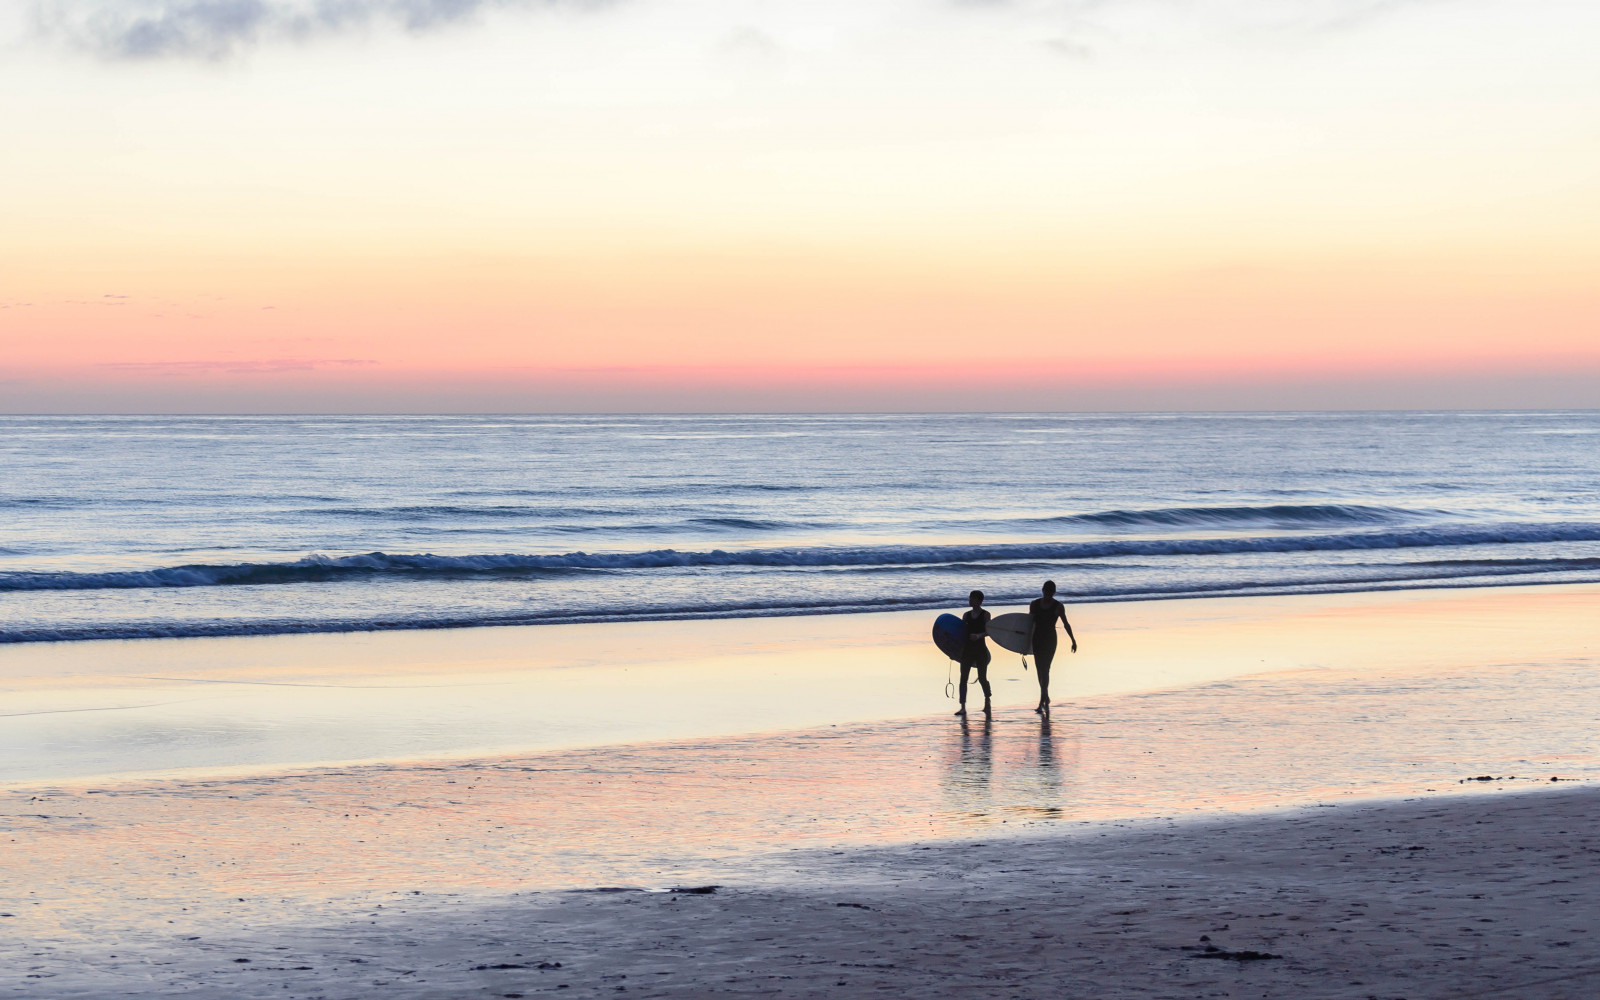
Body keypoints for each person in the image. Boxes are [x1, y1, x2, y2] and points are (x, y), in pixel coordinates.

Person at [1027, 580, 1077, 715]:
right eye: (1045, 592)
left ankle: (1041, 701)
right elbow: (1029, 624)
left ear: (1054, 593)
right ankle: (1045, 696)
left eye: (1050, 592)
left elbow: (1066, 624)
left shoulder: (1058, 606)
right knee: (1039, 670)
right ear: (1042, 590)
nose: (1047, 594)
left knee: (1045, 669)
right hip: (1037, 639)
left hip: (1050, 640)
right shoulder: (1034, 604)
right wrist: (1024, 643)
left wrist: (1073, 640)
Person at [956, 589, 992, 717]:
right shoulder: (966, 615)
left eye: (972, 598)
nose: (969, 600)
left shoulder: (985, 615)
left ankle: (987, 701)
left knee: (982, 678)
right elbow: (961, 634)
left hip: (981, 650)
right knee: (963, 678)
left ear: (979, 601)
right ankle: (963, 707)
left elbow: (989, 631)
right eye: (969, 598)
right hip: (967, 650)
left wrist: (978, 636)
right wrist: (953, 652)